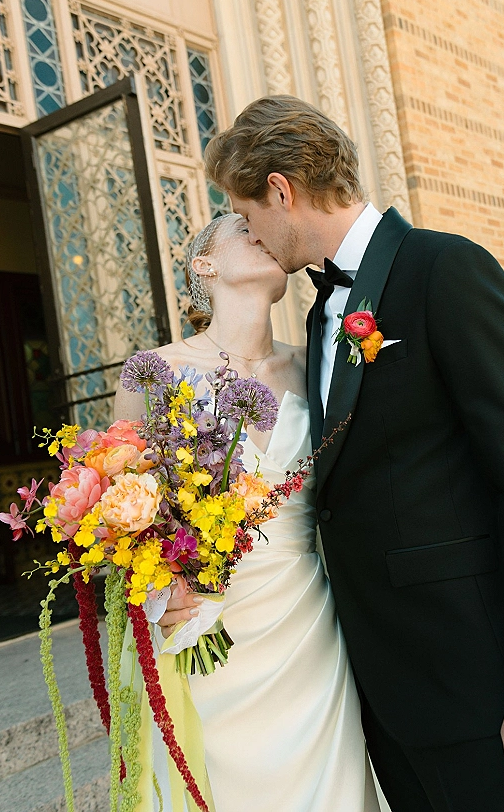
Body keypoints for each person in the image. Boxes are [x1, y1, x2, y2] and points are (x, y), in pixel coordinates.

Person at [166, 94, 504, 811]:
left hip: (481, 695)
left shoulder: (446, 269)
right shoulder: (322, 314)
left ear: (281, 191)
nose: (251, 232)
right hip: (378, 699)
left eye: (247, 210)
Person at [115, 212, 382, 812]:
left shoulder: (316, 364)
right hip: (200, 625)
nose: (260, 227)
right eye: (240, 226)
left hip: (309, 624)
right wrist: (164, 591)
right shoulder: (152, 370)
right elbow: (118, 509)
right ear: (201, 264)